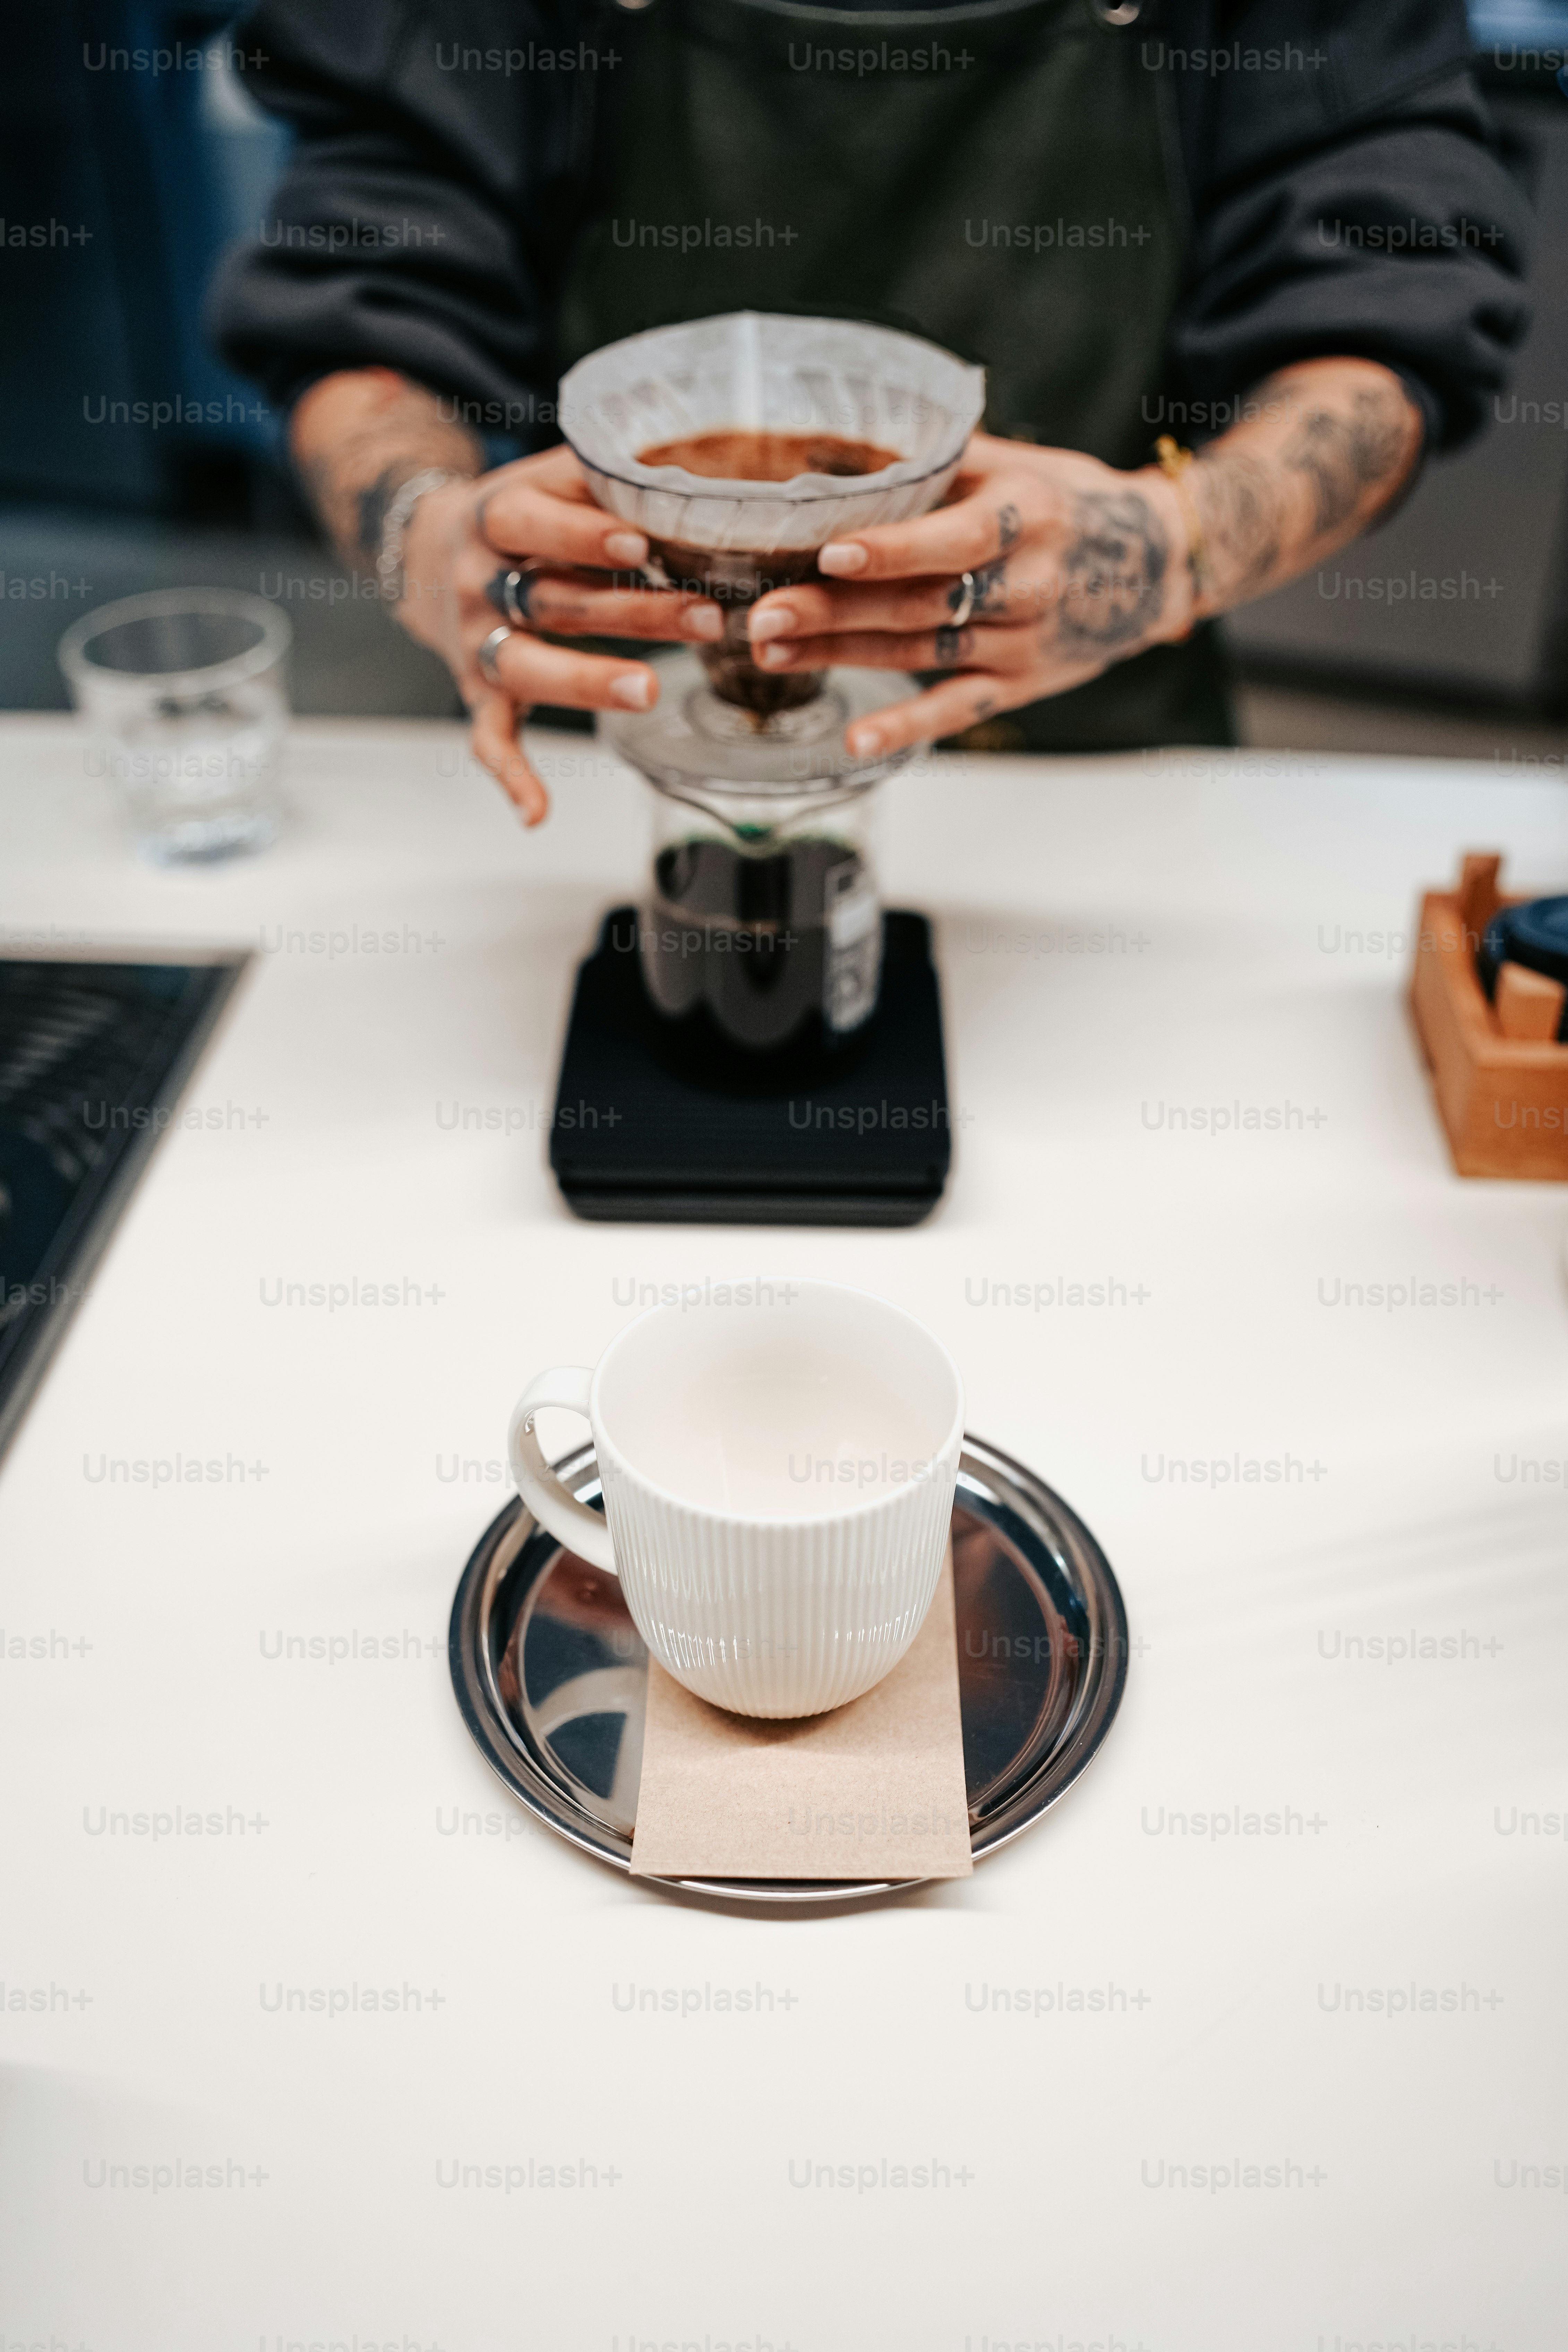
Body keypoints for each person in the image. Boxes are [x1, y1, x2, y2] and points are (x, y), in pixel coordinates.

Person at [214, 0, 1530, 824]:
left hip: (1085, 746)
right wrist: (425, 538)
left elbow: (1382, 310)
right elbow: (360, 300)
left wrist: (1166, 548)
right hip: (615, 743)